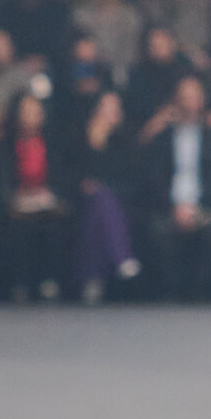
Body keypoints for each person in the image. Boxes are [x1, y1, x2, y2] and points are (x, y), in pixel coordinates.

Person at [137, 73, 211, 301]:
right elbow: (153, 179)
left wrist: (197, 209)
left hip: (203, 206)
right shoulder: (163, 138)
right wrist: (175, 208)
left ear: (202, 100)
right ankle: (170, 290)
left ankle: (201, 291)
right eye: (184, 97)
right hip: (169, 206)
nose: (189, 103)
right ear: (175, 100)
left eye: (193, 97)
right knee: (156, 229)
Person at [0, 92, 72, 300]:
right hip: (17, 199)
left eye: (36, 111)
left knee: (54, 224)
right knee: (18, 227)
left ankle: (49, 281)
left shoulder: (53, 144)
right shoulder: (4, 146)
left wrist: (54, 195)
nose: (31, 116)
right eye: (26, 111)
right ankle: (21, 283)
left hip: (46, 198)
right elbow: (1, 182)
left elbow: (62, 178)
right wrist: (12, 198)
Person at [69, 89, 141, 303]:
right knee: (97, 202)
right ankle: (122, 257)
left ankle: (92, 279)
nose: (109, 115)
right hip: (82, 201)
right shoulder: (78, 137)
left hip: (121, 201)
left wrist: (102, 148)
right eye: (105, 109)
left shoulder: (127, 140)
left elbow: (129, 177)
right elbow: (73, 174)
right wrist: (93, 146)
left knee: (102, 201)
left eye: (114, 110)